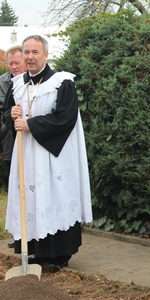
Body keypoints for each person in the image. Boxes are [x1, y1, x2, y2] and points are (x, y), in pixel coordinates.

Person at [2, 35, 93, 272]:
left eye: (35, 52)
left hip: (54, 154)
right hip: (27, 155)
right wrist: (12, 115)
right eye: (26, 52)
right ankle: (35, 251)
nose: (30, 57)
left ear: (46, 55)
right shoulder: (17, 84)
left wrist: (31, 125)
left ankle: (59, 254)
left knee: (55, 197)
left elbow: (66, 117)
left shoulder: (62, 83)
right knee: (31, 198)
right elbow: (7, 116)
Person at [0, 45, 26, 249]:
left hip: (32, 142)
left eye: (18, 63)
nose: (14, 67)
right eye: (11, 64)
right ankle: (18, 235)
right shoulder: (4, 83)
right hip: (10, 142)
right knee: (15, 189)